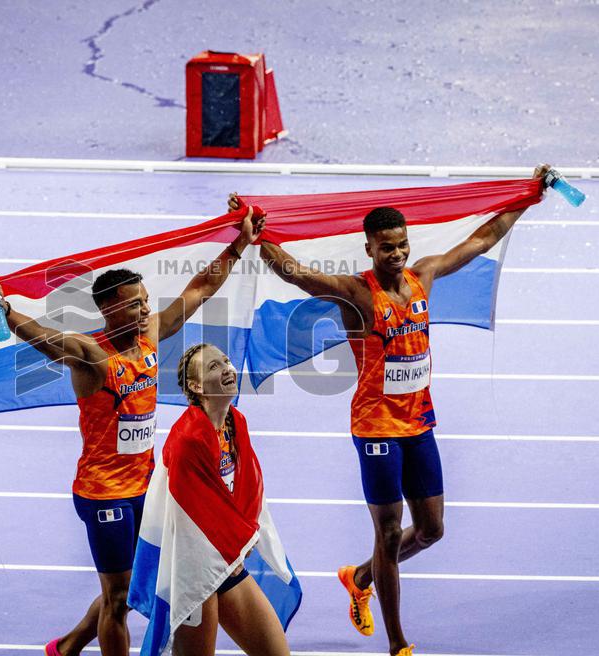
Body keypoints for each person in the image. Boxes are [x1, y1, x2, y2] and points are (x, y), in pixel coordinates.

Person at [231, 164, 551, 656]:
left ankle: (360, 576)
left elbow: (482, 239)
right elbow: (297, 274)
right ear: (370, 249)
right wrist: (256, 235)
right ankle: (398, 642)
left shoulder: (423, 275)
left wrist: (527, 198)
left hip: (420, 424)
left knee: (431, 530)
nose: (397, 253)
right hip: (376, 428)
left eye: (401, 244)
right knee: (386, 532)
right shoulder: (357, 294)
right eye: (387, 247)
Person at [0, 208, 264, 656]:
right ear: (107, 308)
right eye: (133, 303)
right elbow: (42, 336)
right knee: (119, 598)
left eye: (144, 301)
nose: (143, 310)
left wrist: (238, 245)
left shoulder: (150, 335)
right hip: (105, 495)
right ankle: (82, 643)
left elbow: (198, 289)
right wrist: (5, 310)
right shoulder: (91, 356)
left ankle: (69, 644)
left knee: (140, 582)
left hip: (149, 486)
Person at [161, 342, 292, 656]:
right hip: (195, 570)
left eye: (226, 361)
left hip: (228, 564)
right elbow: (192, 514)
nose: (227, 369)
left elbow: (248, 488)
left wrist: (243, 538)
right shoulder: (188, 440)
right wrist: (235, 541)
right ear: (196, 387)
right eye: (213, 367)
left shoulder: (237, 423)